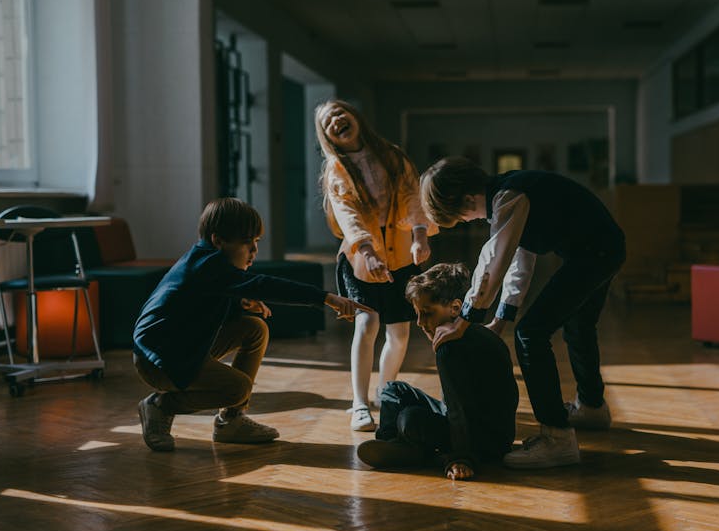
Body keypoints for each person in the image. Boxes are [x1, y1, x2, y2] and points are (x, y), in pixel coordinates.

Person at [419, 157, 625, 469]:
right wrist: (501, 318)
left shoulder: (509, 196)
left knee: (531, 333)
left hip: (594, 253)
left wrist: (466, 320)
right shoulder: (512, 193)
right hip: (603, 249)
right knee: (578, 325)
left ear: (466, 199)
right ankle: (592, 407)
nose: (468, 221)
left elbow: (494, 259)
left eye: (461, 218)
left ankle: (557, 437)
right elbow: (520, 260)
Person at [133, 197, 371, 452]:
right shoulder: (207, 265)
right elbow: (263, 284)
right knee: (238, 388)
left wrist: (239, 303)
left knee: (254, 329)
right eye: (247, 243)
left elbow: (198, 304)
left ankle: (230, 422)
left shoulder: (207, 261)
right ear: (218, 241)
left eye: (256, 242)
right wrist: (325, 297)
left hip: (182, 346)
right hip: (159, 361)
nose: (254, 251)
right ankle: (160, 406)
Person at [315, 99, 437, 431]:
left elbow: (413, 196)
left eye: (340, 113)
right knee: (367, 324)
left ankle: (387, 393)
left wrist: (420, 234)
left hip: (400, 256)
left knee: (399, 333)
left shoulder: (392, 156)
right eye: (328, 122)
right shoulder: (336, 169)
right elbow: (348, 216)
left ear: (355, 117)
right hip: (360, 257)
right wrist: (366, 251)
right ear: (328, 137)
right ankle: (359, 403)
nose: (336, 120)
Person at [356, 263, 518, 480]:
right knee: (393, 389)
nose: (421, 323)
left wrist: (461, 458)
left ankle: (409, 450)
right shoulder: (475, 332)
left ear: (455, 308)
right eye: (417, 314)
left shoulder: (449, 347)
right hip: (476, 425)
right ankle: (392, 445)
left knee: (409, 418)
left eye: (427, 313)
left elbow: (458, 407)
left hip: (483, 440)